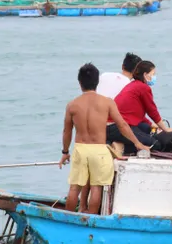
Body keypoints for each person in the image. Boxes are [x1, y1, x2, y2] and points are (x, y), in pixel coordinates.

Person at [59, 63, 149, 214]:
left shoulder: (72, 105)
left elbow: (67, 132)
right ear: (97, 82)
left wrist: (65, 152)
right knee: (96, 187)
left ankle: (68, 220)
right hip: (99, 150)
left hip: (81, 149)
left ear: (80, 83)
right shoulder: (107, 102)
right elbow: (122, 126)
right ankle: (92, 219)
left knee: (75, 187)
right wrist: (137, 142)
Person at [110, 60, 172, 153]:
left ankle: (122, 142)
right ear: (145, 75)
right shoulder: (143, 88)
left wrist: (152, 125)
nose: (154, 77)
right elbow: (152, 111)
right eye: (153, 74)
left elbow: (135, 112)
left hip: (114, 125)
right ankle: (122, 146)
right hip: (120, 127)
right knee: (156, 144)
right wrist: (165, 129)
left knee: (147, 128)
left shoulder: (133, 85)